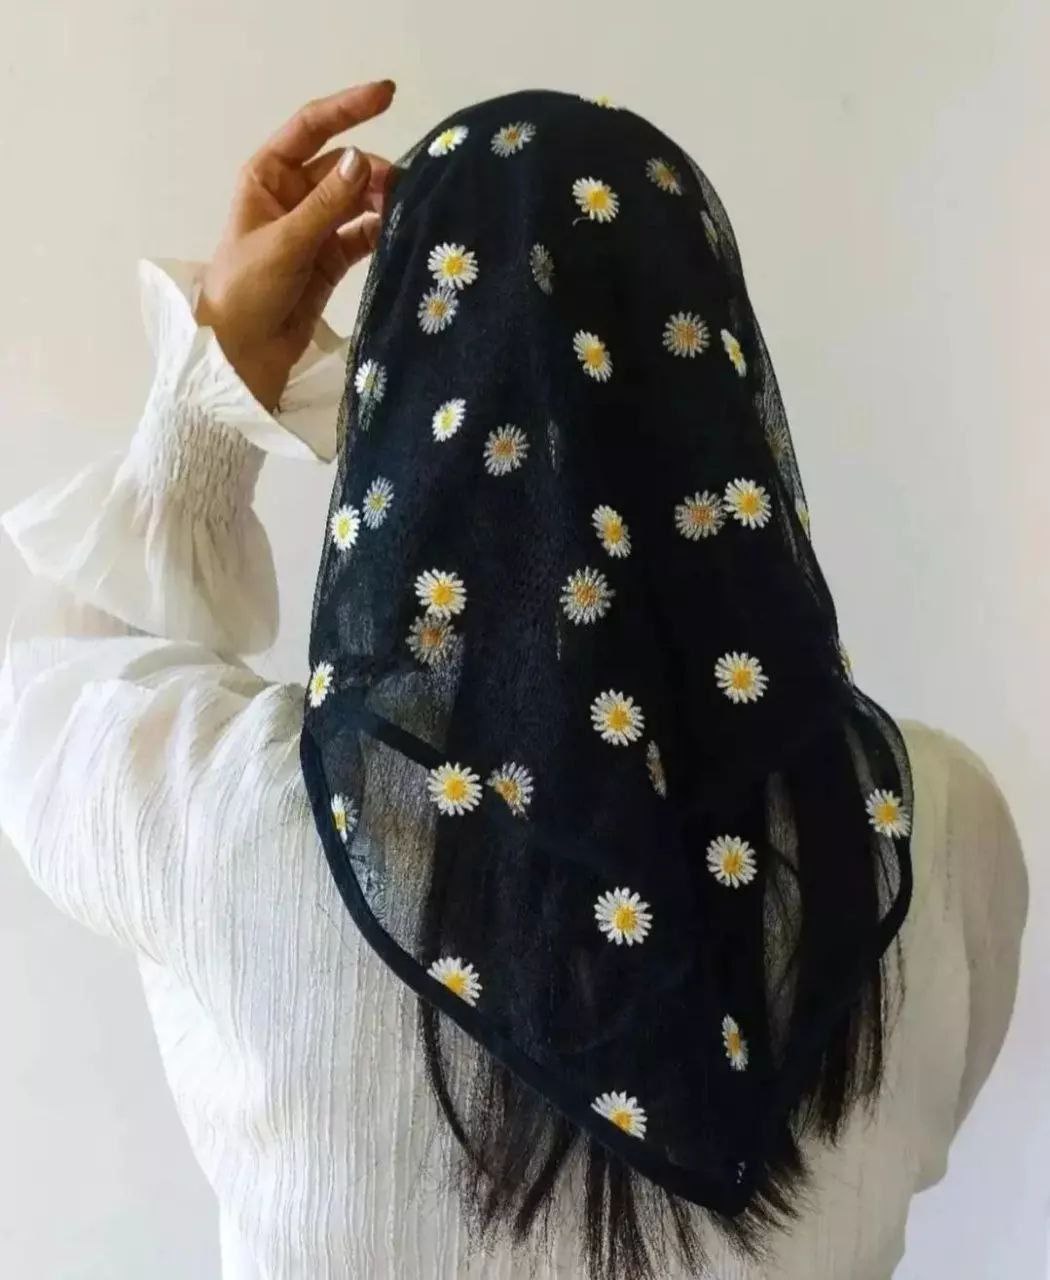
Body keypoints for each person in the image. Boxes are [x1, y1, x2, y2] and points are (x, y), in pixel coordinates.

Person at [0, 81, 1027, 1280]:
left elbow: (53, 690)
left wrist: (212, 385)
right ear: (717, 379)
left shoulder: (230, 815)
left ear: (405, 396)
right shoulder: (934, 832)